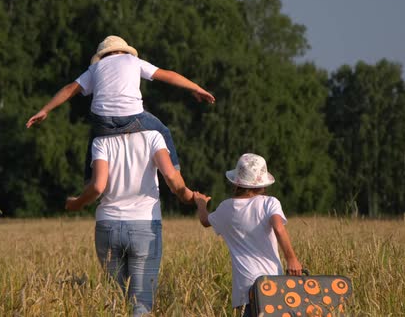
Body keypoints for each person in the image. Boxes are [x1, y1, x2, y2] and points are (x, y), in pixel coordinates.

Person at [26, 35, 215, 181]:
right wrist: (196, 88)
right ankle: (176, 176)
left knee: (94, 140)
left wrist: (45, 110)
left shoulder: (95, 68)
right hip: (132, 118)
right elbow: (168, 75)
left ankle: (88, 182)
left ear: (103, 55)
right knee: (163, 130)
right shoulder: (133, 61)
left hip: (102, 122)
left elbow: (69, 90)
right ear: (123, 51)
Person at [65, 129, 199, 316]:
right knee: (141, 305)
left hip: (107, 226)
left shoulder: (101, 139)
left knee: (114, 303)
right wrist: (189, 197)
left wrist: (77, 203)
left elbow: (98, 186)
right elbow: (170, 176)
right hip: (144, 226)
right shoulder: (153, 136)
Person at [193, 153, 303, 317]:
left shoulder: (225, 208)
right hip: (272, 285)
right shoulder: (269, 203)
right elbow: (279, 228)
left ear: (237, 182)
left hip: (245, 289)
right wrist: (292, 259)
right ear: (262, 184)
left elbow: (205, 220)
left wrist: (201, 203)